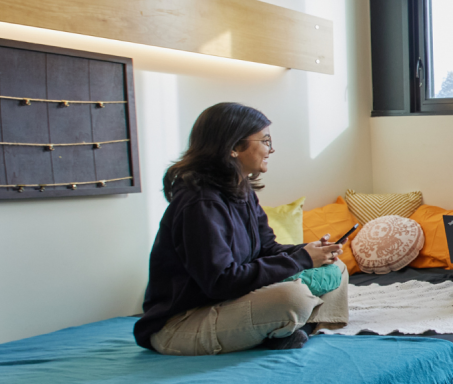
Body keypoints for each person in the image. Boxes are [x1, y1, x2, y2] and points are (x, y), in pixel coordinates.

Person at [133, 102, 349, 355]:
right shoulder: (200, 202)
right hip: (182, 323)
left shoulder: (242, 192)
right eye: (265, 141)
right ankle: (288, 326)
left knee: (335, 267)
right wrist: (301, 259)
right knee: (293, 297)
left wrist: (312, 252)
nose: (271, 149)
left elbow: (267, 248)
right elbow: (221, 282)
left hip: (226, 304)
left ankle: (294, 329)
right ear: (234, 147)